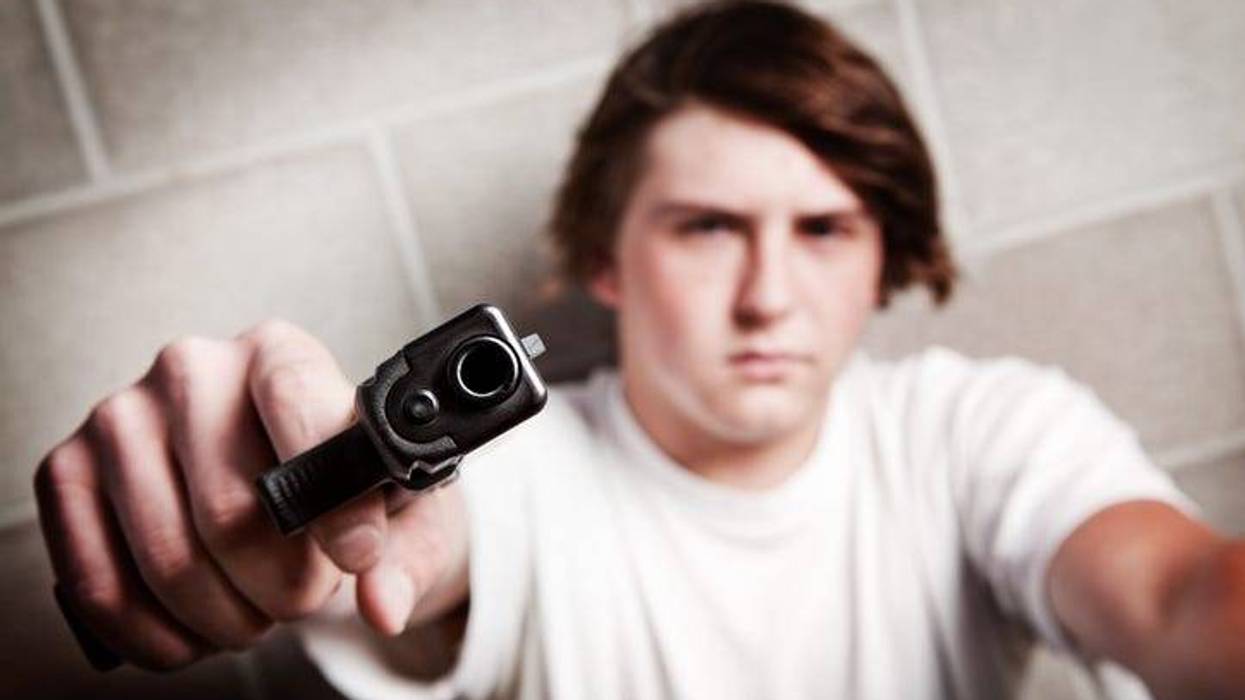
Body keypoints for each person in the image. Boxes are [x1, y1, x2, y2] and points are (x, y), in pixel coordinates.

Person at [32, 1, 1245, 698]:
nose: (769, 293)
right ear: (604, 259)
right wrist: (304, 492)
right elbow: (443, 549)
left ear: (888, 255)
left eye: (825, 230)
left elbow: (1176, 595)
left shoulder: (984, 432)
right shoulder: (522, 475)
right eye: (709, 228)